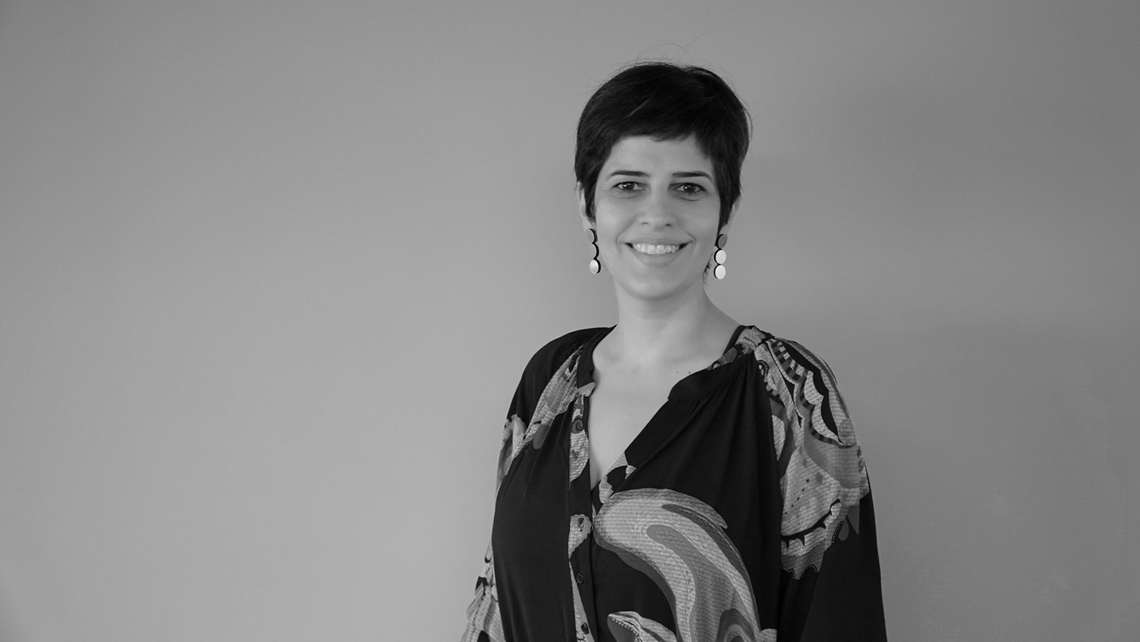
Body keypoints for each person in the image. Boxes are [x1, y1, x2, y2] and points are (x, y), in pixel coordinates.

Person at [460, 61, 887, 642]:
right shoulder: (548, 380)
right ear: (587, 205)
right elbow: (495, 603)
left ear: (725, 211)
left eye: (688, 187)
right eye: (628, 185)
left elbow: (842, 622)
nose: (658, 214)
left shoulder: (787, 394)